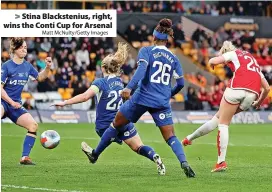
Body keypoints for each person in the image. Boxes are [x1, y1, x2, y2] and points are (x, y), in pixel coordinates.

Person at [83, 18, 196, 178]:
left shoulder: (147, 51)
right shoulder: (175, 59)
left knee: (116, 123)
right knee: (171, 137)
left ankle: (95, 154)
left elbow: (142, 70)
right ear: (167, 40)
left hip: (142, 98)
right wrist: (168, 94)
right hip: (162, 102)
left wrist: (129, 88)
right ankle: (184, 162)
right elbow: (181, 84)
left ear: (154, 37)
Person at [52, 43, 166, 175]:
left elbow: (84, 97)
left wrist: (65, 102)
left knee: (108, 132)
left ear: (103, 67)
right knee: (138, 146)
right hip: (124, 121)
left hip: (105, 125)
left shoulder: (100, 83)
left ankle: (97, 153)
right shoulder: (120, 83)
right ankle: (154, 156)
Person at [182, 41, 270, 172]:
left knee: (223, 124)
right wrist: (258, 102)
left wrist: (212, 63)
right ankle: (189, 138)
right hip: (252, 95)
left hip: (236, 89)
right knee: (217, 119)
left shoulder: (232, 54)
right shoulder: (252, 60)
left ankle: (221, 162)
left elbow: (213, 60)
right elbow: (267, 88)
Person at [1, 37, 52, 165]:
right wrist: (11, 102)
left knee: (33, 125)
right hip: (3, 101)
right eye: (21, 47)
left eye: (25, 47)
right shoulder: (6, 66)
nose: (25, 49)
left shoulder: (27, 66)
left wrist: (47, 67)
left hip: (15, 104)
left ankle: (25, 157)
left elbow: (40, 77)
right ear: (15, 49)